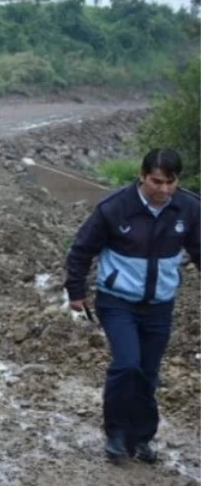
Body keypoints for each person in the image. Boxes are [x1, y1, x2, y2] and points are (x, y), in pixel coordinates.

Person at [64, 148, 201, 463]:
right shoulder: (115, 208)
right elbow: (82, 249)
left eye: (170, 182)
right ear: (142, 176)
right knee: (127, 364)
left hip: (160, 305)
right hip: (117, 302)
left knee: (148, 372)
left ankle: (141, 438)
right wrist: (76, 292)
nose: (163, 190)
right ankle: (115, 434)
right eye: (156, 182)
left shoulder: (189, 208)